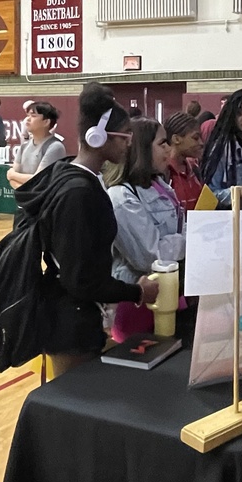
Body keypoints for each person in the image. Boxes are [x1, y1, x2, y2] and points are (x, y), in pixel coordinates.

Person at [13, 82, 158, 375]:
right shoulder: (77, 193)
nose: (130, 143)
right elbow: (79, 279)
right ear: (98, 136)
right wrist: (136, 292)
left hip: (77, 316)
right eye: (124, 136)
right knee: (70, 406)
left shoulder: (79, 180)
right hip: (70, 325)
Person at [105, 117, 185, 340]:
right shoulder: (121, 196)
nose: (169, 149)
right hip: (138, 301)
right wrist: (190, 240)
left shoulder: (160, 185)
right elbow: (150, 256)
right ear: (141, 148)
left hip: (170, 293)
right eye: (162, 143)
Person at [7, 102, 66, 189]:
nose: (28, 119)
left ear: (46, 122)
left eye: (33, 116)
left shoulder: (55, 147)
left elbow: (38, 180)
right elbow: (11, 179)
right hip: (23, 201)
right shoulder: (24, 147)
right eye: (28, 115)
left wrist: (13, 175)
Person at [165, 111, 204, 213]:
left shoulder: (194, 168)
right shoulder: (164, 172)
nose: (201, 143)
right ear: (176, 139)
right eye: (195, 138)